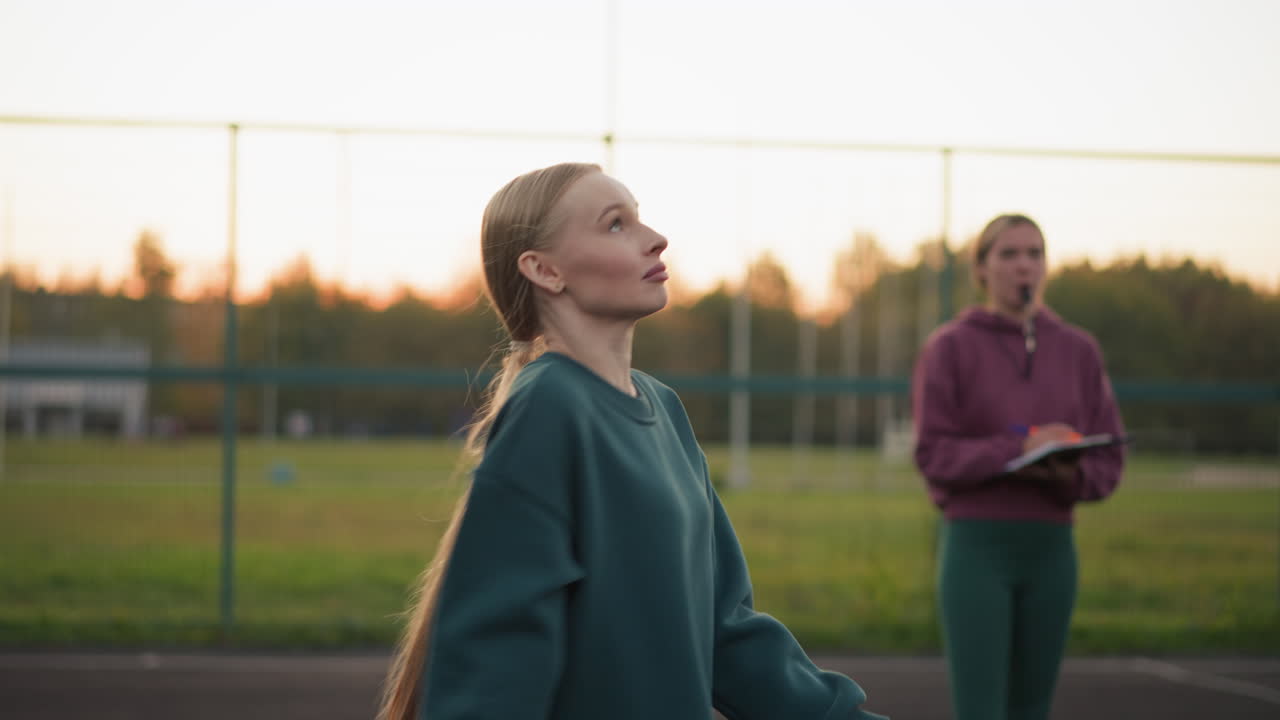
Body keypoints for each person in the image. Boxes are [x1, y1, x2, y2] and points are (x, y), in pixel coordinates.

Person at [379, 162, 887, 720]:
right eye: (616, 224)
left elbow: (725, 629)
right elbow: (496, 652)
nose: (656, 239)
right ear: (544, 270)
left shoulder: (662, 406)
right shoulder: (550, 406)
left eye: (638, 218)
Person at [911, 213, 1126, 720]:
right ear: (981, 269)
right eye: (1008, 254)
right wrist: (1018, 449)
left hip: (1052, 550)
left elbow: (1109, 460)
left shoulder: (1079, 350)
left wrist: (1067, 471)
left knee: (1032, 708)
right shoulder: (949, 347)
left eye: (1035, 253)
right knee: (981, 708)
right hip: (977, 548)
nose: (1023, 265)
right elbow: (933, 454)